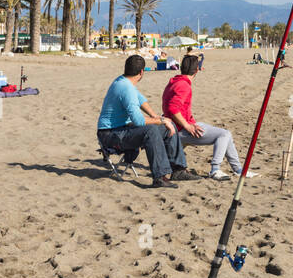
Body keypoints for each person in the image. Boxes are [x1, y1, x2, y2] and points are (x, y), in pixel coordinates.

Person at [97, 54, 197, 188]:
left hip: (121, 129)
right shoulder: (126, 88)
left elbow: (141, 101)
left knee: (168, 124)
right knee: (151, 130)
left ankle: (178, 170)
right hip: (110, 135)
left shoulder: (124, 81)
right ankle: (159, 177)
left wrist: (159, 118)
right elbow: (138, 121)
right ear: (141, 72)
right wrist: (160, 120)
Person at [162, 55, 256, 182]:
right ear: (197, 70)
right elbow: (173, 109)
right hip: (179, 130)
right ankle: (215, 169)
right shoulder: (183, 86)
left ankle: (239, 170)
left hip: (180, 126)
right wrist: (187, 126)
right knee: (224, 134)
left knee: (225, 134)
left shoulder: (174, 81)